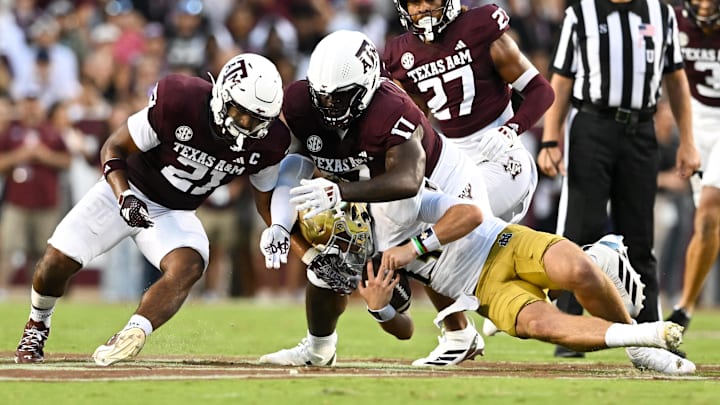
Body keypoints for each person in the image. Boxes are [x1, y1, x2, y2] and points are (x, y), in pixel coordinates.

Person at [13, 53, 289, 365]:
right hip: (127, 189)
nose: (247, 126)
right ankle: (38, 322)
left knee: (189, 265)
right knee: (55, 261)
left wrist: (277, 228)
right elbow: (113, 147)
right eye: (242, 114)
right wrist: (125, 197)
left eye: (258, 120)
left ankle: (133, 332)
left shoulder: (270, 142)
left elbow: (265, 196)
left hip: (174, 212)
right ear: (222, 96)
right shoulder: (180, 100)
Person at [257, 29, 492, 367]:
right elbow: (291, 165)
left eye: (339, 97)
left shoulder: (392, 109)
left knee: (437, 264)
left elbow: (408, 181)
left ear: (367, 86)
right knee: (333, 265)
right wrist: (280, 225)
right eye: (321, 96)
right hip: (370, 189)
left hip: (438, 181)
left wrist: (340, 191)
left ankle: (459, 332)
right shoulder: (299, 103)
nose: (328, 106)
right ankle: (318, 348)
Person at [354, 185, 696, 375]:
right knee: (543, 324)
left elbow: (469, 213)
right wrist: (379, 309)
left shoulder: (394, 202)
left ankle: (598, 262)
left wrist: (414, 246)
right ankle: (641, 338)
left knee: (577, 271)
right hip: (479, 289)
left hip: (501, 241)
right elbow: (405, 330)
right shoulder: (366, 256)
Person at [382, 0, 555, 360]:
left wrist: (511, 129)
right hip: (454, 161)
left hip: (501, 158)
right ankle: (460, 330)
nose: (424, 8)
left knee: (447, 231)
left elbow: (542, 91)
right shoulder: (400, 52)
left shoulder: (480, 26)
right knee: (412, 222)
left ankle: (471, 321)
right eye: (415, 2)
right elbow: (410, 119)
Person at [538, 0, 701, 357]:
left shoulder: (661, 14)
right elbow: (561, 80)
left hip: (641, 130)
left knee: (640, 239)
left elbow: (676, 78)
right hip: (591, 125)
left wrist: (687, 141)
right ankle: (569, 333)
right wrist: (551, 139)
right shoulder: (580, 13)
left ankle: (652, 333)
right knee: (578, 231)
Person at [665, 0, 720, 331]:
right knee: (707, 220)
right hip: (696, 121)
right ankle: (685, 307)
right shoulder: (674, 21)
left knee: (711, 206)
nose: (703, 5)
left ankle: (684, 305)